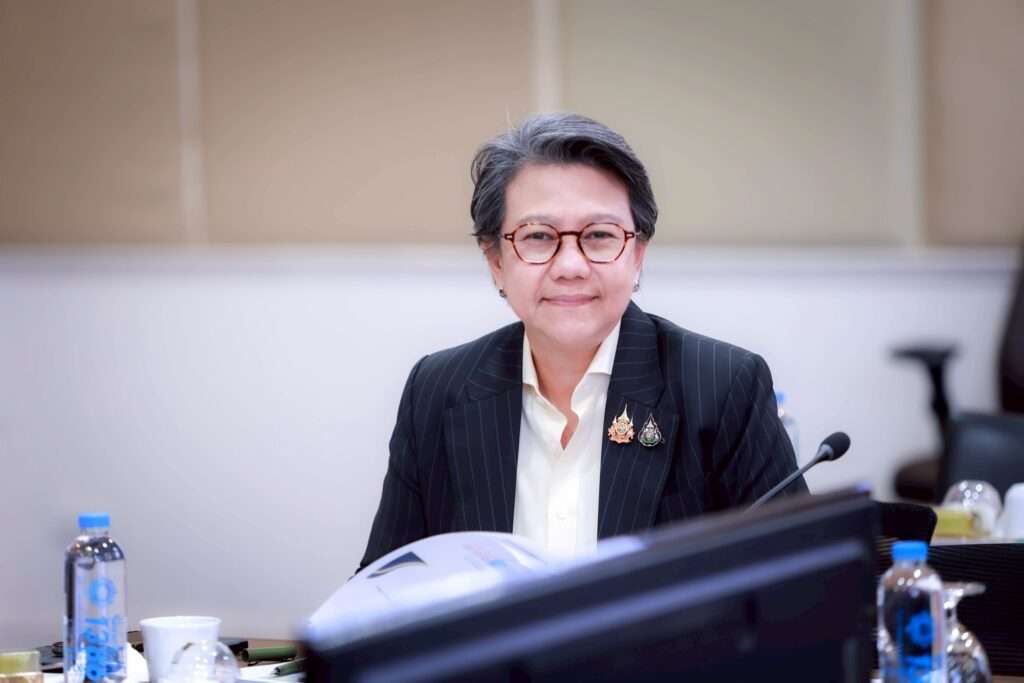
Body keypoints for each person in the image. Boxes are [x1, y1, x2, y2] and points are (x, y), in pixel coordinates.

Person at [360, 113, 806, 569]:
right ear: (496, 261)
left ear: (637, 255)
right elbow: (384, 585)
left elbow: (796, 581)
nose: (570, 266)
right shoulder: (436, 391)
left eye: (598, 236)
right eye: (538, 237)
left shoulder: (722, 386)